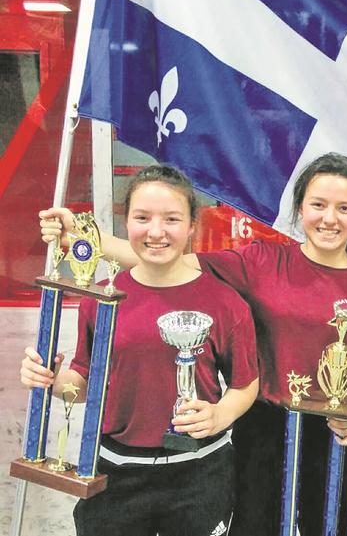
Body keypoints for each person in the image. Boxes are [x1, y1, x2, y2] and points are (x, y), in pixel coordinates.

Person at [39, 153, 347, 536]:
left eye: (344, 208)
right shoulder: (261, 261)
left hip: (333, 432)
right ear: (300, 207)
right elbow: (165, 259)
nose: (329, 219)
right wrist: (85, 237)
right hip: (263, 426)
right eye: (318, 205)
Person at [22, 165, 259, 536]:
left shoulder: (226, 303)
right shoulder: (100, 298)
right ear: (125, 222)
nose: (156, 231)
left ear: (192, 226)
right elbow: (84, 383)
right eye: (142, 217)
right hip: (113, 472)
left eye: (172, 219)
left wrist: (220, 414)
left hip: (199, 472)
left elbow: (246, 384)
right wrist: (50, 380)